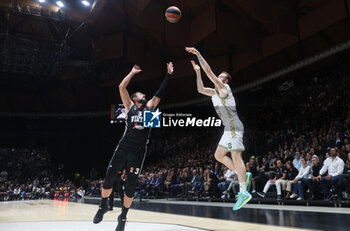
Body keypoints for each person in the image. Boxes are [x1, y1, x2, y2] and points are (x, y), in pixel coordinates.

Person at [93, 63, 174, 231]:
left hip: (138, 151)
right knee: (108, 179)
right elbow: (122, 86)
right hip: (124, 147)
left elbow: (160, 93)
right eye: (141, 94)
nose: (145, 94)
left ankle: (122, 217)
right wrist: (132, 72)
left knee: (130, 185)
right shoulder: (129, 107)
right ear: (135, 99)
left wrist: (168, 75)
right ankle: (103, 207)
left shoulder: (150, 108)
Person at [187, 47, 251, 211]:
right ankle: (243, 174)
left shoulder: (224, 89)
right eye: (219, 76)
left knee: (236, 157)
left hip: (234, 126)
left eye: (221, 77)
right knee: (219, 155)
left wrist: (199, 55)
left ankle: (244, 192)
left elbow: (210, 73)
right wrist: (197, 72)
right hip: (227, 128)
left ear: (225, 81)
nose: (218, 78)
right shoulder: (215, 93)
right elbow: (200, 89)